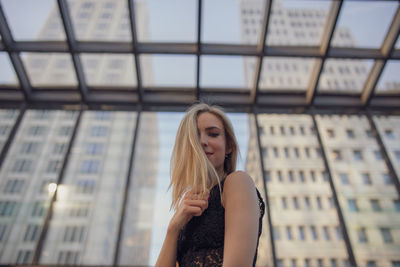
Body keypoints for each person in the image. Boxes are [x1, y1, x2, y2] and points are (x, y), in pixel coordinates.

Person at [155, 103, 265, 267]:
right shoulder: (185, 211)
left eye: (213, 134)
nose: (203, 141)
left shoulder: (236, 182)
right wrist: (173, 229)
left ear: (229, 146)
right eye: (195, 136)